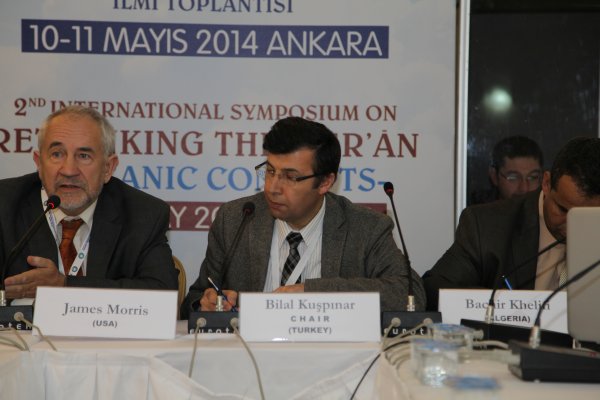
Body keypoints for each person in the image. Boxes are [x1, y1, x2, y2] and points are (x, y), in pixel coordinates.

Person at [181, 116, 425, 318]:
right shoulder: (235, 219)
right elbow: (195, 299)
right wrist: (206, 303)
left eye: (291, 177)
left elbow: (409, 294)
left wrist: (312, 294)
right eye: (270, 171)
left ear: (325, 182)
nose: (273, 188)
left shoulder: (366, 227)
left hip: (333, 356)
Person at [1, 105, 178, 301]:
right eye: (57, 154)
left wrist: (65, 286)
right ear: (39, 163)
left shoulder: (144, 214)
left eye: (84, 156)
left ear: (108, 168)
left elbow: (162, 294)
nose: (69, 170)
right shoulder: (4, 204)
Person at [423, 137, 600, 311]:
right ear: (546, 183)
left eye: (590, 216)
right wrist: (503, 305)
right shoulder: (487, 225)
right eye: (563, 210)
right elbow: (435, 287)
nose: (571, 226)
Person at [471, 136, 544, 204]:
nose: (524, 188)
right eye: (513, 178)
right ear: (494, 177)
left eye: (533, 177)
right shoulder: (476, 210)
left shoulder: (546, 209)